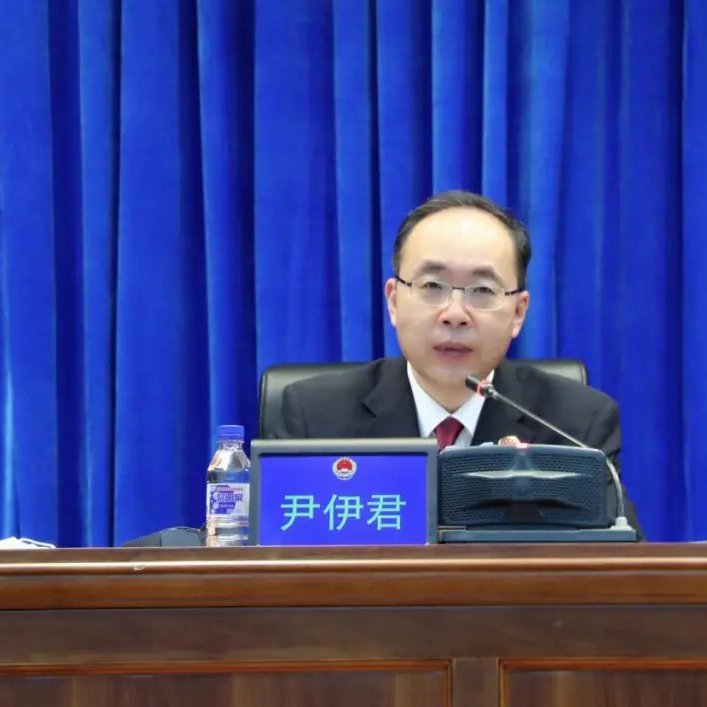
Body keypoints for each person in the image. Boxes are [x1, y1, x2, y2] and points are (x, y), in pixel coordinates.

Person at [273, 190, 642, 537]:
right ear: (394, 301)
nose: (455, 314)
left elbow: (620, 569)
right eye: (432, 286)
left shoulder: (576, 426)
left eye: (483, 290)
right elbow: (270, 560)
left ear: (518, 312)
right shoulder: (315, 419)